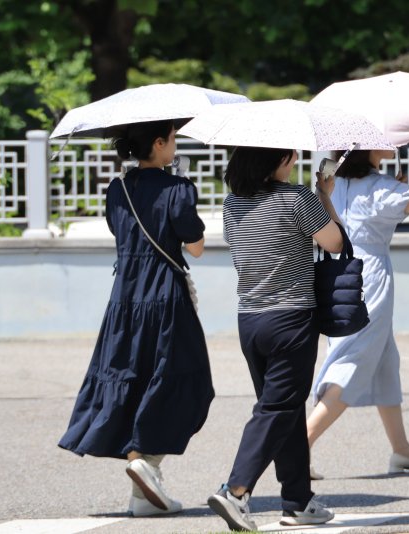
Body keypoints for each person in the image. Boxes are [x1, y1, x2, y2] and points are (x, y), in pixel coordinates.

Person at [58, 119, 214, 517]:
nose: (176, 145)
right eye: (173, 139)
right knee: (184, 377)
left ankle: (142, 496)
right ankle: (148, 461)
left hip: (125, 297)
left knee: (132, 374)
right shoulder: (179, 189)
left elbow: (120, 231)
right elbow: (194, 246)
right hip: (165, 296)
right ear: (159, 144)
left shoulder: (118, 188)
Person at [208, 146, 343, 532]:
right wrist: (325, 198)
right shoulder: (297, 197)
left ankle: (298, 500)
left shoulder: (232, 204)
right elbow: (334, 243)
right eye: (292, 157)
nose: (296, 163)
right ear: (277, 161)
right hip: (291, 319)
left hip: (249, 320)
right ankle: (236, 490)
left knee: (283, 408)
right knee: (276, 409)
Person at [307, 131, 409, 477]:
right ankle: (300, 443)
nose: (395, 142)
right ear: (366, 146)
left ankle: (401, 450)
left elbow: (356, 207)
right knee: (352, 362)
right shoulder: (378, 186)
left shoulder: (337, 180)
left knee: (384, 361)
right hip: (369, 278)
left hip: (343, 271)